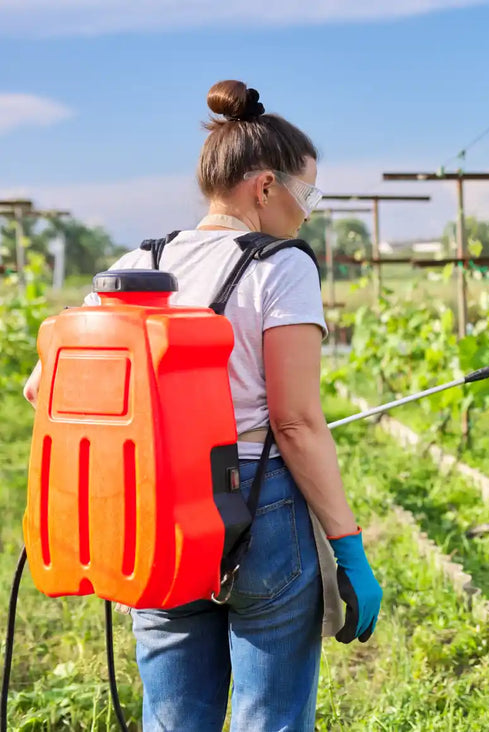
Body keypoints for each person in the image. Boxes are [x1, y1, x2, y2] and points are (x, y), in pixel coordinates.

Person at [22, 79, 382, 732]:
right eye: (308, 193)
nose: (308, 213)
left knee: (172, 716)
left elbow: (40, 386)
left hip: (155, 508)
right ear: (265, 186)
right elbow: (295, 423)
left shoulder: (138, 263)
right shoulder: (284, 266)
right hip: (262, 506)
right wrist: (348, 546)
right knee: (268, 717)